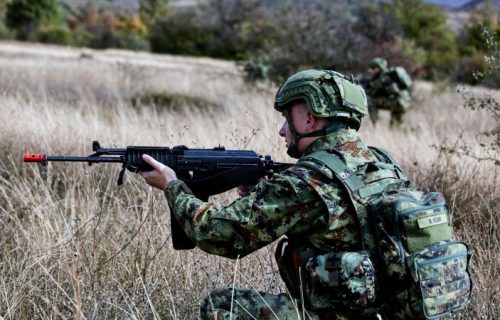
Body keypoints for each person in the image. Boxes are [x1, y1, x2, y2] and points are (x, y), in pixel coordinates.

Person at [139, 70, 386, 320]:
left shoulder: (304, 182)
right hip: (384, 310)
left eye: (286, 119)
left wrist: (172, 186)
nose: (281, 131)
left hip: (344, 314)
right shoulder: (383, 163)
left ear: (310, 120)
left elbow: (217, 234)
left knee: (220, 305)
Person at [362, 58, 412, 126]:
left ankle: (376, 125)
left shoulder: (383, 77)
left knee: (371, 102)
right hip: (404, 102)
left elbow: (372, 92)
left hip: (397, 102)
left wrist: (366, 86)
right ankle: (415, 131)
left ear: (378, 68)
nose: (372, 71)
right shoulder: (390, 74)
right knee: (396, 126)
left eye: (373, 68)